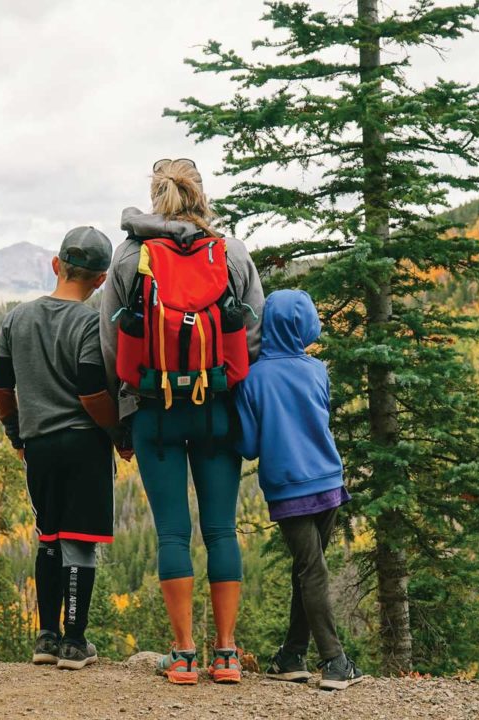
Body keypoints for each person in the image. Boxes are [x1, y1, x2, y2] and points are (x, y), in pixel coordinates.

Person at [100, 158, 264, 685]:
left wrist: (122, 422)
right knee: (220, 529)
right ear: (200, 196)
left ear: (156, 198)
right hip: (217, 409)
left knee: (172, 530)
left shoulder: (130, 256)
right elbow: (253, 335)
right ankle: (229, 654)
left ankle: (184, 654)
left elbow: (110, 346)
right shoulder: (232, 253)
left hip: (154, 410)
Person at [0, 226, 121, 671]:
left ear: (56, 264)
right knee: (79, 543)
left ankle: (45, 637)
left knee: (48, 538)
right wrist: (119, 436)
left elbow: (2, 387)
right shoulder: (90, 322)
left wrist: (16, 434)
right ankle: (74, 641)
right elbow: (91, 393)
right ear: (101, 279)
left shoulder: (17, 318)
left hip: (39, 445)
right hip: (84, 444)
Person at [234, 289, 364, 691]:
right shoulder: (317, 370)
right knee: (311, 569)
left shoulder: (252, 378)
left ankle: (327, 660)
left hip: (289, 490)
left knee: (309, 570)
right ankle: (299, 655)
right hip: (329, 482)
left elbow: (249, 446)